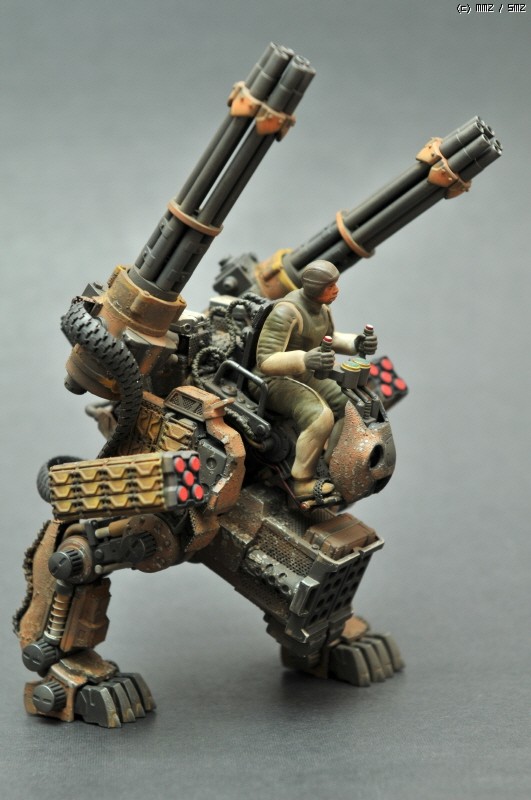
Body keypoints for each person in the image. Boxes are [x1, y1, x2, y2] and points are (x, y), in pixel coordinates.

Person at [255, 260, 377, 500]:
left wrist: (356, 343)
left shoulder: (322, 309)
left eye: (335, 284)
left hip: (304, 373)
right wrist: (304, 358)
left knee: (351, 405)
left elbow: (328, 338)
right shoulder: (286, 312)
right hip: (271, 381)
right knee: (321, 417)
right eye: (330, 286)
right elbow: (265, 361)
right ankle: (302, 482)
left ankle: (333, 463)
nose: (336, 290)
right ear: (314, 287)